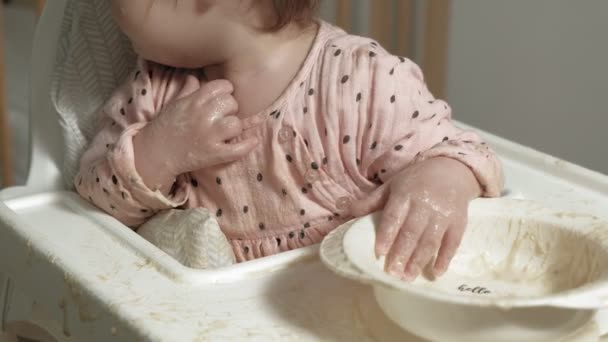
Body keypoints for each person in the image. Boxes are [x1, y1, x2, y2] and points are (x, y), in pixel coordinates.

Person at [75, 0, 504, 280]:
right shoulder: (156, 92)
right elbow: (93, 202)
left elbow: (463, 153)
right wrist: (157, 151)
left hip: (351, 306)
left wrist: (441, 179)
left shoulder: (361, 80)